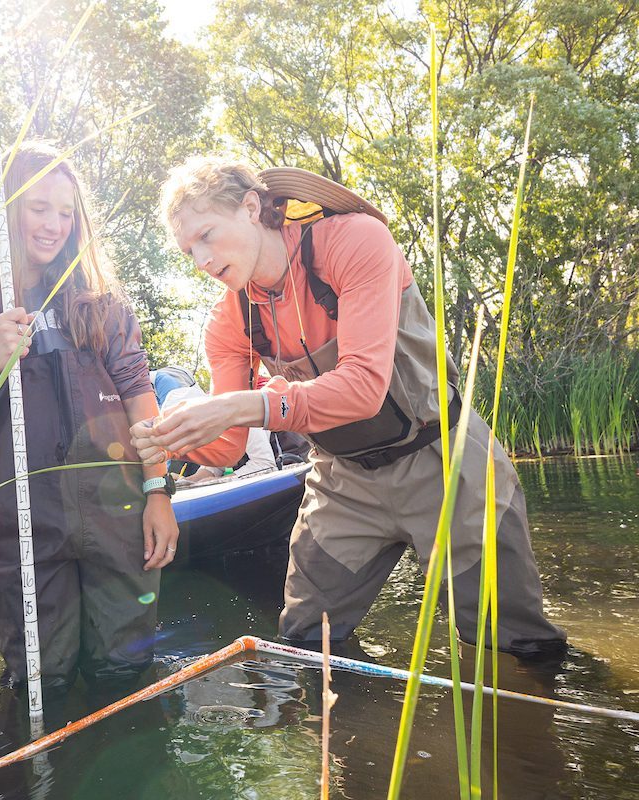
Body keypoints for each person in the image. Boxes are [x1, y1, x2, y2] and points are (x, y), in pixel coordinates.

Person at [132, 159, 566, 660]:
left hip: (439, 459)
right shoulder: (228, 321)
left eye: (207, 235)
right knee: (304, 642)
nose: (202, 260)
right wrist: (166, 440)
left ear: (251, 208)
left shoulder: (354, 241)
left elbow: (362, 387)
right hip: (343, 479)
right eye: (189, 251)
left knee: (513, 644)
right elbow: (227, 447)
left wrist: (245, 405)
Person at [0, 142, 177, 693]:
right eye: (39, 208)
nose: (54, 225)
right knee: (41, 681)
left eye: (66, 211)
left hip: (116, 520)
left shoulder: (101, 302)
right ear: (7, 210)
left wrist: (158, 493)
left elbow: (138, 397)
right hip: (23, 530)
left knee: (126, 675)